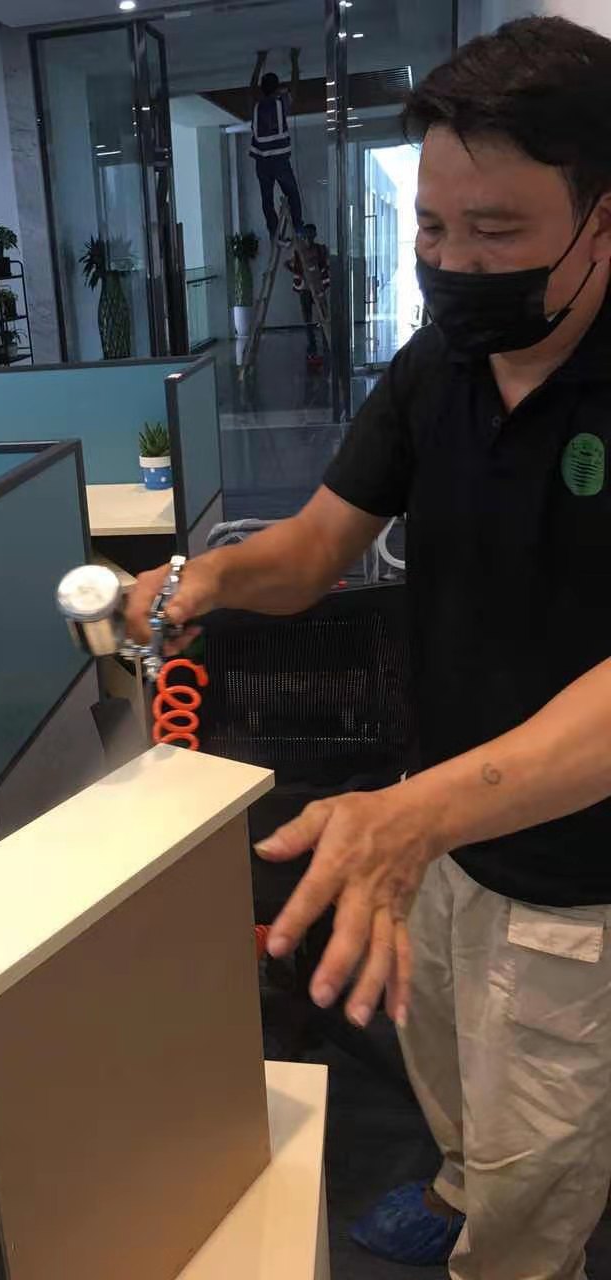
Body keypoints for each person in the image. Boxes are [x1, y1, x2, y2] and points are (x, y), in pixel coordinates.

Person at [128, 17, 611, 1278]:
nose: (454, 263)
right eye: (432, 230)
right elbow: (312, 548)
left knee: (540, 1141)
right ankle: (455, 1183)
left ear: (603, 219)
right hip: (434, 816)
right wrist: (200, 580)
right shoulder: (439, 366)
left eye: (493, 231)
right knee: (443, 1050)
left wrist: (411, 815)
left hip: (579, 867)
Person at [250, 49, 304, 239]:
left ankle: (273, 231)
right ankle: (297, 226)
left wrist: (260, 60)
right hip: (280, 161)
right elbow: (295, 85)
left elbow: (252, 86)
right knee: (292, 193)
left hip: (262, 162)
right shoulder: (281, 104)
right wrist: (294, 59)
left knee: (267, 199)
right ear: (277, 88)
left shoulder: (256, 105)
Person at [287, 223, 330, 355]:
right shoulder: (299, 252)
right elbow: (296, 268)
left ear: (314, 235)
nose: (308, 238)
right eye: (307, 235)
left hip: (318, 289)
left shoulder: (320, 250)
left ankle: (326, 342)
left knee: (323, 316)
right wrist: (292, 266)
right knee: (308, 319)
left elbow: (325, 267)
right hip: (305, 290)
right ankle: (312, 344)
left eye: (311, 235)